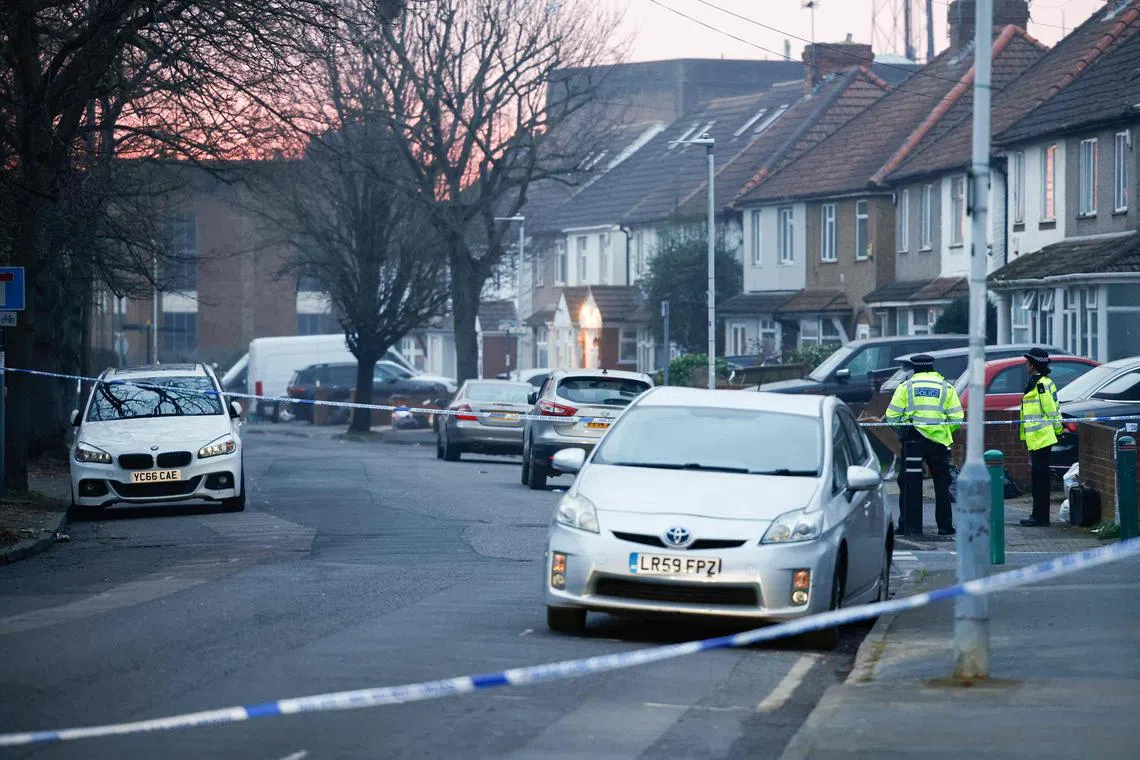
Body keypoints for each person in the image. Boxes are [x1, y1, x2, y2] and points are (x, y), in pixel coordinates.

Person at [884, 354, 964, 535]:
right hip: (938, 442)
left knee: (906, 481)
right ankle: (945, 527)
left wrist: (903, 429)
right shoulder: (946, 387)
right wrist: (943, 431)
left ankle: (905, 524)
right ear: (931, 367)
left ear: (915, 368)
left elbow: (892, 416)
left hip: (913, 440)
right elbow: (957, 418)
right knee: (941, 484)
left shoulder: (907, 387)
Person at [1019, 347, 1063, 527]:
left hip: (1042, 438)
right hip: (1036, 438)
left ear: (1034, 364)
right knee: (1038, 479)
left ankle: (1041, 517)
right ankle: (1037, 515)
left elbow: (1051, 410)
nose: (1025, 365)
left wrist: (1058, 430)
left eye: (1028, 362)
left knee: (1040, 480)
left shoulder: (1042, 384)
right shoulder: (1036, 381)